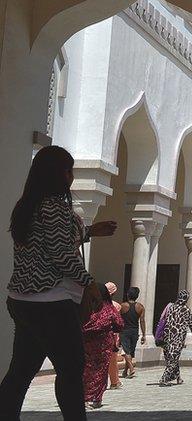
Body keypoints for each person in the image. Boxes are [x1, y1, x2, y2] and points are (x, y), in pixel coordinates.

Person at [0, 145, 118, 420]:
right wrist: (88, 282)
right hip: (50, 301)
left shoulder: (28, 206)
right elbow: (60, 252)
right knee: (71, 369)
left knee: (21, 371)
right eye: (69, 170)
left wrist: (88, 232)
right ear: (61, 174)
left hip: (23, 300)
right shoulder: (54, 207)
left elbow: (47, 242)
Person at [81, 284, 123, 409]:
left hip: (85, 344)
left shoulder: (85, 307)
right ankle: (96, 397)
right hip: (103, 345)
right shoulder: (109, 308)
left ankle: (84, 397)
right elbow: (119, 324)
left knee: (86, 370)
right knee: (101, 371)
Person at [159, 290, 192, 386]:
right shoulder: (186, 309)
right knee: (173, 360)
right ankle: (164, 379)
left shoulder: (171, 307)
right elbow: (191, 323)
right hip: (178, 339)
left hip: (167, 337)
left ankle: (178, 378)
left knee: (171, 358)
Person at [118, 287, 146, 378]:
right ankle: (126, 371)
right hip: (134, 331)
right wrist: (144, 334)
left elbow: (118, 320)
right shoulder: (140, 307)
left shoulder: (122, 306)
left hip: (124, 331)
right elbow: (142, 321)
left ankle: (131, 369)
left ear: (128, 295)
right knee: (130, 352)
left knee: (127, 352)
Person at [104, 282, 122, 390]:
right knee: (112, 360)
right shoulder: (116, 306)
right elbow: (118, 323)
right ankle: (114, 382)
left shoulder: (96, 304)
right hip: (112, 336)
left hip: (99, 335)